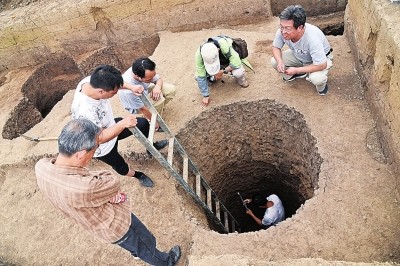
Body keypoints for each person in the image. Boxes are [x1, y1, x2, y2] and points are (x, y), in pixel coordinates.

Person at [35, 118, 181, 265]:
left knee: (133, 245)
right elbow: (113, 180)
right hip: (116, 225)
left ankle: (135, 251)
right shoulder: (87, 188)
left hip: (95, 225)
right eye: (94, 149)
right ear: (80, 154)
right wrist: (107, 194)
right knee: (145, 244)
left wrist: (103, 196)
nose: (95, 154)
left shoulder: (41, 166)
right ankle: (166, 262)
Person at [71, 64, 168, 188]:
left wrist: (131, 87)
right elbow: (99, 138)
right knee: (121, 167)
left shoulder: (91, 82)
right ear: (101, 91)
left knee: (143, 124)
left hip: (110, 125)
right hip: (102, 146)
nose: (115, 94)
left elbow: (117, 84)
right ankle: (139, 175)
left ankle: (151, 147)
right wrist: (123, 123)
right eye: (113, 93)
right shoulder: (85, 112)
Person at [271, 5, 333, 96]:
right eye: (281, 27)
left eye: (288, 28)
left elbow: (322, 65)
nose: (283, 31)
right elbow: (275, 47)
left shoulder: (312, 38)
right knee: (274, 61)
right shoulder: (282, 31)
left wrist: (296, 70)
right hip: (299, 55)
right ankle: (296, 74)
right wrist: (280, 62)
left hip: (320, 60)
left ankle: (322, 88)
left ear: (300, 28)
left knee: (317, 78)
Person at [118, 57, 176, 130]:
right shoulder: (128, 90)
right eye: (149, 79)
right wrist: (154, 122)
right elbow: (142, 108)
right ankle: (153, 119)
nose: (152, 79)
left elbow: (158, 79)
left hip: (144, 91)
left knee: (170, 90)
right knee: (159, 99)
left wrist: (157, 87)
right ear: (137, 77)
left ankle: (156, 111)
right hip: (136, 105)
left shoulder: (144, 69)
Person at [195, 36, 249, 107]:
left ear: (218, 50)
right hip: (216, 63)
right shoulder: (199, 54)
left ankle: (242, 81)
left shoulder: (225, 46)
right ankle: (212, 79)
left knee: (238, 73)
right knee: (197, 77)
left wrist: (222, 71)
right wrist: (205, 95)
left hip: (227, 61)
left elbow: (236, 63)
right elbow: (200, 76)